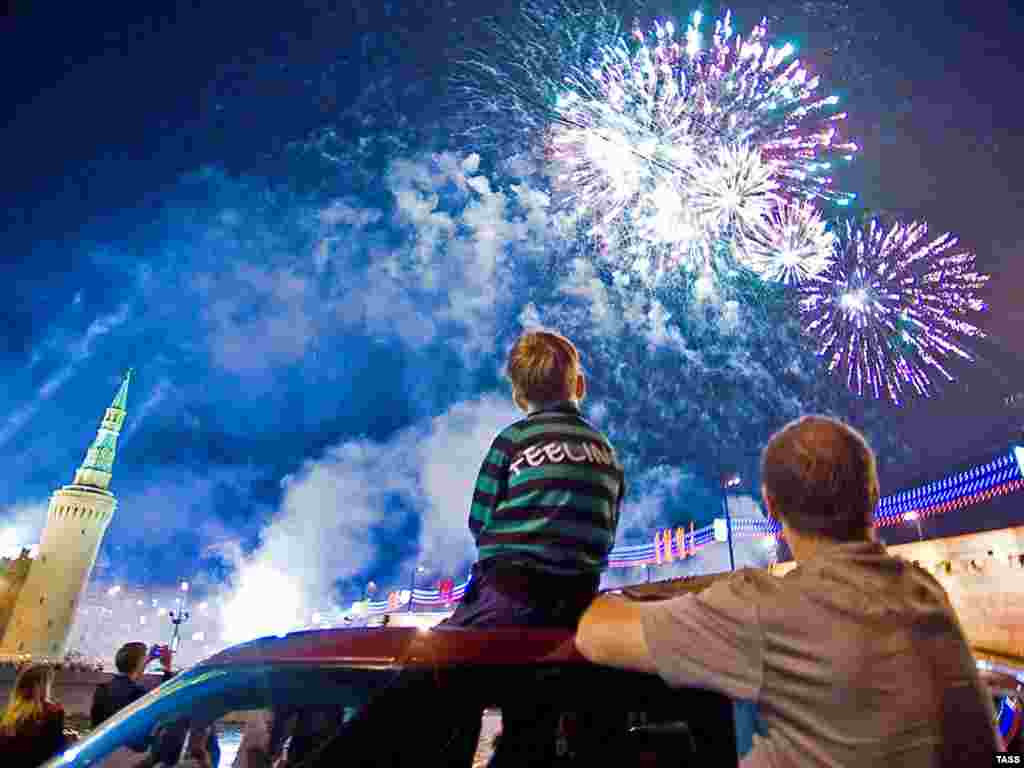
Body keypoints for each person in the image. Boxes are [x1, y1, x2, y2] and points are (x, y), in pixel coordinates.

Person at [575, 415, 1001, 767]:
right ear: (872, 494)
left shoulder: (762, 608)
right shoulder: (927, 594)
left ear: (771, 505)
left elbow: (594, 635)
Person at [440, 329, 626, 765]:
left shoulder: (511, 440)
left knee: (442, 669)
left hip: (508, 596)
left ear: (518, 394)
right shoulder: (606, 449)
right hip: (577, 603)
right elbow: (607, 528)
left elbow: (479, 520)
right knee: (534, 714)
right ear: (578, 386)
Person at [0, 663, 78, 768]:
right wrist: (69, 741)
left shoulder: (9, 715)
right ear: (43, 685)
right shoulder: (52, 711)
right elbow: (53, 749)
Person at [91, 642, 174, 727]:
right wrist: (167, 668)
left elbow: (133, 672)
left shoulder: (102, 690)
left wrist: (147, 658)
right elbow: (164, 705)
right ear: (139, 663)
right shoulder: (137, 695)